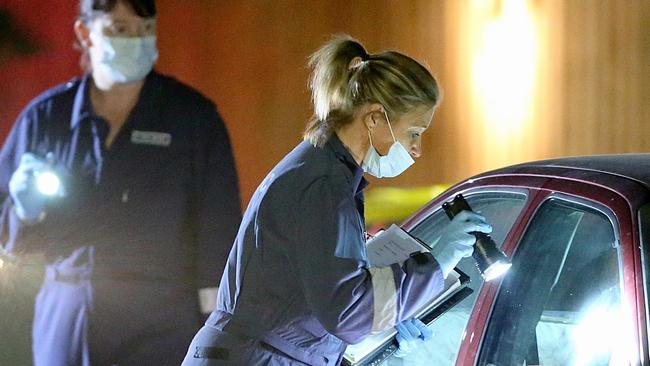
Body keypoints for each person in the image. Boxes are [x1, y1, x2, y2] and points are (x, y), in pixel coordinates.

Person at [181, 35, 492, 365]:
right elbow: (348, 312)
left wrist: (385, 327)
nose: (417, 149)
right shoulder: (324, 185)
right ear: (374, 118)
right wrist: (438, 263)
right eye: (414, 132)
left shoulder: (326, 172)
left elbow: (316, 303)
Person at [0, 0, 242, 365]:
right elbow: (7, 237)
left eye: (145, 30)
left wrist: (216, 330)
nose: (135, 41)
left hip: (160, 321)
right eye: (119, 29)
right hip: (67, 315)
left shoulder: (191, 119)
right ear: (85, 33)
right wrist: (24, 212)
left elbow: (219, 229)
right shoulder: (47, 119)